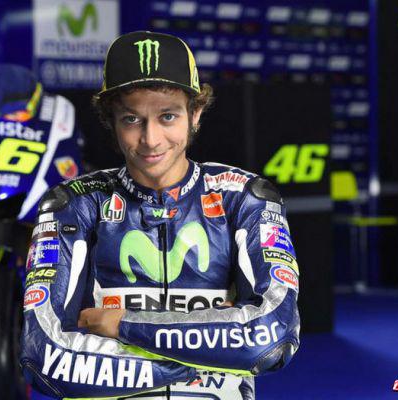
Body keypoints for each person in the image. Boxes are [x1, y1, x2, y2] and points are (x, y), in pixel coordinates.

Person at [20, 31, 300, 400]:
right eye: (132, 119)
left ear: (195, 114)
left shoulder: (246, 198)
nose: (150, 139)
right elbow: (42, 355)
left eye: (167, 116)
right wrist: (203, 354)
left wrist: (122, 324)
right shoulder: (73, 204)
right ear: (111, 121)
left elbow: (272, 338)